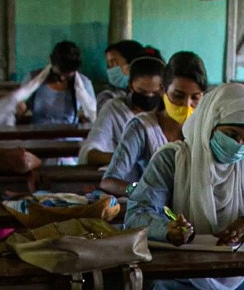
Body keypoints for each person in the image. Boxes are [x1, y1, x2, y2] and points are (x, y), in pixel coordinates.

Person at [124, 81, 244, 290]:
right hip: (182, 278)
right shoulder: (173, 160)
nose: (238, 145)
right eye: (231, 134)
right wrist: (167, 228)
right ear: (210, 123)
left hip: (242, 277)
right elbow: (137, 213)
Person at [101, 51, 208, 196]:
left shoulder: (208, 130)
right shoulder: (141, 128)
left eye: (195, 98)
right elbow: (109, 181)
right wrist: (139, 189)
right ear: (163, 89)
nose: (186, 104)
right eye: (178, 95)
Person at [0, 40, 97, 128]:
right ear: (51, 61)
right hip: (38, 138)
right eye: (60, 73)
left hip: (69, 141)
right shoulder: (33, 80)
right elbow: (19, 110)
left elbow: (92, 116)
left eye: (68, 75)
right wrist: (17, 110)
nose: (62, 78)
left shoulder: (84, 84)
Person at [78, 57, 164, 167]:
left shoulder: (168, 114)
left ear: (163, 89)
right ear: (130, 85)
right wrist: (126, 158)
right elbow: (90, 151)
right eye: (142, 91)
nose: (149, 96)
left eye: (155, 92)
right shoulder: (115, 109)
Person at [97, 38, 159, 109]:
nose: (110, 70)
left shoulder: (158, 96)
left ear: (131, 64)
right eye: (108, 64)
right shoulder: (107, 96)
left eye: (114, 62)